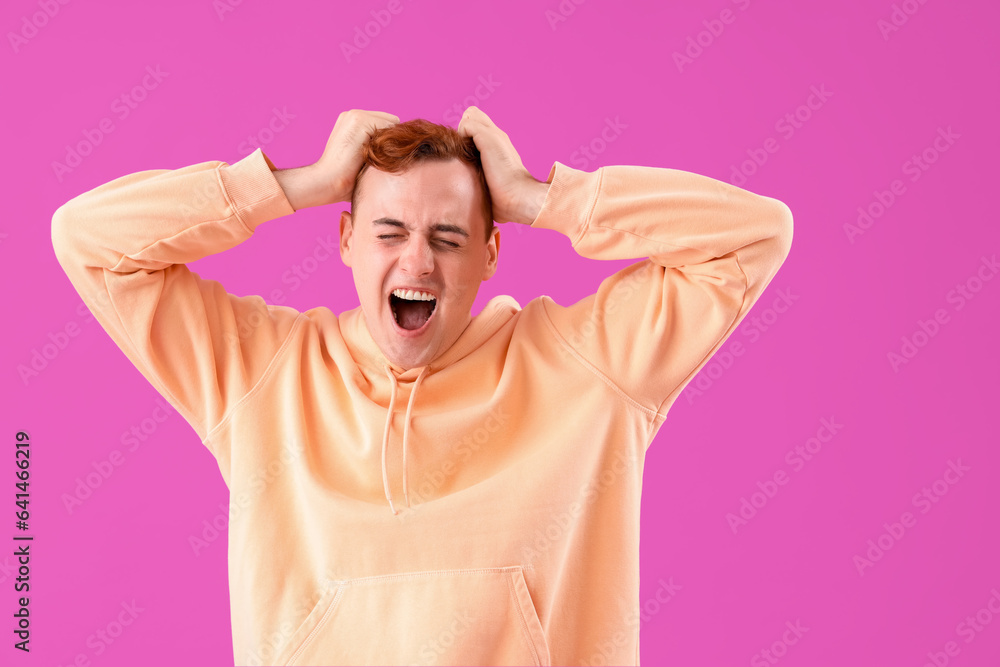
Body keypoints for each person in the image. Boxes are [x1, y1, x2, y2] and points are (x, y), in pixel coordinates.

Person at [52, 106, 793, 666]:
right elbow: (90, 241)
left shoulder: (586, 365)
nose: (418, 262)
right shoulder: (264, 372)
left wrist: (542, 198)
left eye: (448, 237)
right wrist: (295, 185)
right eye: (388, 232)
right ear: (344, 241)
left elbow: (754, 235)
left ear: (491, 253)